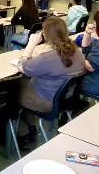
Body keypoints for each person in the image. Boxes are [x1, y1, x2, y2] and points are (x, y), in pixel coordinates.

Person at [16, 17, 85, 147]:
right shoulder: (77, 51)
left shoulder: (47, 59)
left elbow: (21, 66)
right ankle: (30, 125)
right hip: (66, 100)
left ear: (46, 35)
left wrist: (30, 44)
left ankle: (23, 131)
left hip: (46, 102)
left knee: (11, 91)